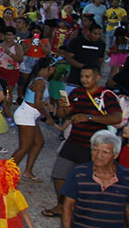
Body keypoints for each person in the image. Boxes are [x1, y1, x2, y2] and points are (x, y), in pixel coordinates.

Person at [43, 64, 122, 218]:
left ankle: (86, 210)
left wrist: (89, 117)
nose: (84, 80)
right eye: (82, 77)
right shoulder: (77, 93)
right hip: (73, 141)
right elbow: (63, 114)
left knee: (91, 181)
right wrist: (61, 106)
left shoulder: (106, 95)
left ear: (98, 77)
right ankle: (61, 205)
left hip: (94, 147)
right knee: (59, 175)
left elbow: (116, 117)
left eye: (88, 77)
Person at [9, 56, 59, 181]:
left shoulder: (38, 79)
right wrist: (48, 117)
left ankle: (28, 171)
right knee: (24, 147)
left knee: (39, 142)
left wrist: (47, 105)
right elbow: (37, 102)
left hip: (30, 115)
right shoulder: (40, 82)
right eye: (53, 69)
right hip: (27, 115)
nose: (54, 71)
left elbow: (35, 99)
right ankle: (5, 173)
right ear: (49, 68)